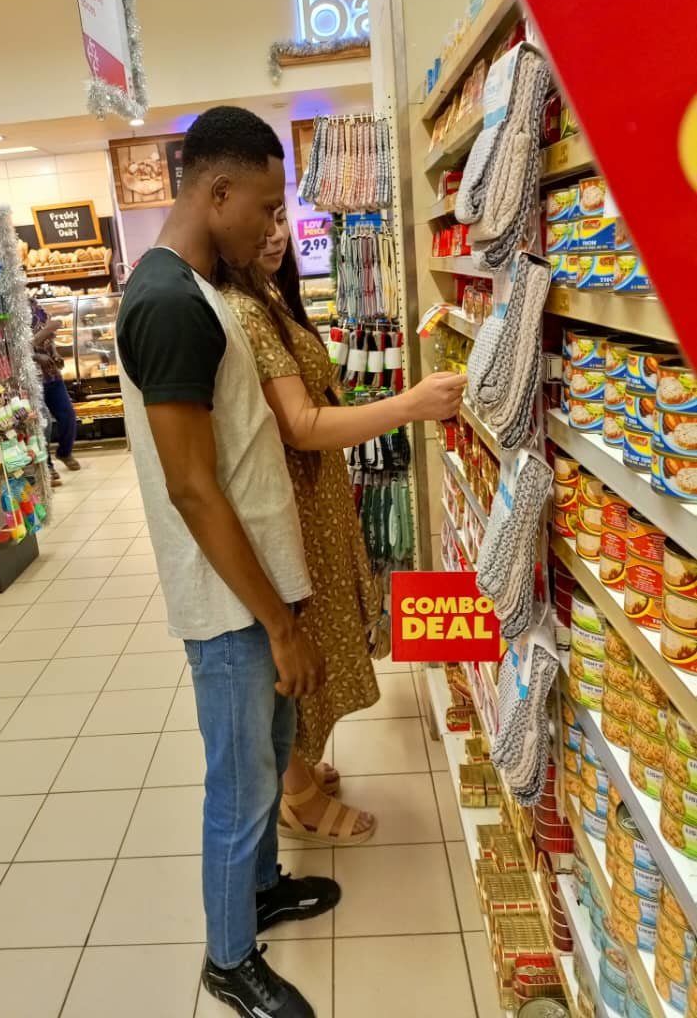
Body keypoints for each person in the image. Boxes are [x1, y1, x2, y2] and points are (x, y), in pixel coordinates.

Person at [115, 106, 339, 1018]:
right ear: (216, 191)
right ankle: (228, 957)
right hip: (229, 605)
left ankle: (258, 890)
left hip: (260, 585)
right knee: (240, 784)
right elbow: (192, 489)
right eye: (266, 205)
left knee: (271, 749)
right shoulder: (168, 304)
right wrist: (277, 624)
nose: (272, 226)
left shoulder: (199, 289)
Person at [220, 206, 466, 844]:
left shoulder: (267, 295)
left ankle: (299, 770)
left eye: (280, 216)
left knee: (321, 634)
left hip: (314, 501)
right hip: (295, 506)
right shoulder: (244, 308)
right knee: (301, 644)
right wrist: (409, 404)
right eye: (261, 216)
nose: (275, 232)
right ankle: (296, 795)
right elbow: (301, 425)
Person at [29, 295, 80, 477]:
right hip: (33, 379)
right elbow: (19, 348)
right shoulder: (13, 315)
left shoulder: (39, 310)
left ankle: (65, 452)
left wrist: (56, 354)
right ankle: (47, 465)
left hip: (52, 376)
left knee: (68, 416)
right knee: (45, 423)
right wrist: (37, 355)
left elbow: (49, 340)